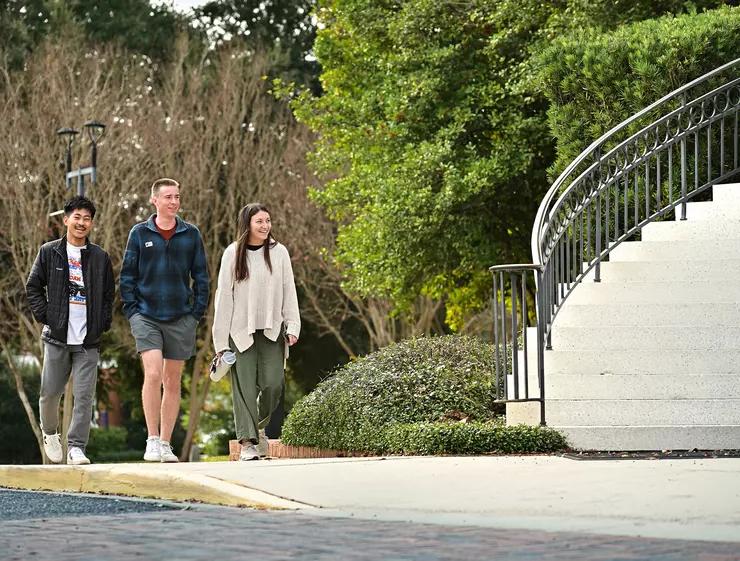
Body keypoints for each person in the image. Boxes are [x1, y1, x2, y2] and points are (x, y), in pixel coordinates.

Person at [120, 178, 209, 462]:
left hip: (181, 317)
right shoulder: (138, 233)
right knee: (154, 373)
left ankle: (167, 444)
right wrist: (132, 310)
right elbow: (127, 276)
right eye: (168, 196)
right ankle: (153, 439)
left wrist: (195, 314)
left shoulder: (191, 234)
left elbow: (202, 277)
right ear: (154, 200)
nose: (174, 201)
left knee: (172, 380)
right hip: (145, 315)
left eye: (177, 196)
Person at [26, 196, 115, 465]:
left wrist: (102, 323)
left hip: (88, 339)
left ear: (91, 223)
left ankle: (77, 446)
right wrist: (48, 317)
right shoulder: (49, 251)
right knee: (50, 393)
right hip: (57, 336)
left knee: (85, 395)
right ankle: (50, 433)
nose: (81, 223)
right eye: (76, 217)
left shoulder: (100, 257)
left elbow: (109, 294)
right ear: (66, 219)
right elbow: (33, 287)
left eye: (87, 218)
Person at [212, 203, 300, 461]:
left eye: (268, 221)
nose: (265, 226)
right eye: (259, 221)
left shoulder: (279, 252)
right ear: (247, 224)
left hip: (273, 329)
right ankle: (248, 443)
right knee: (245, 388)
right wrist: (220, 341)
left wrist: (292, 325)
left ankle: (257, 426)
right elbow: (224, 297)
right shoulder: (232, 253)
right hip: (239, 331)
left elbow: (289, 289)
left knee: (274, 384)